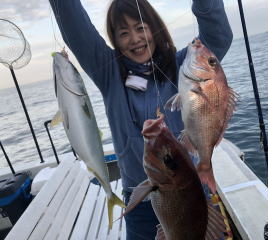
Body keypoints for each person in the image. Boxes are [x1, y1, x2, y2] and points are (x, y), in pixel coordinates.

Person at [49, 0, 233, 239]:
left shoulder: (184, 67)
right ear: (114, 39)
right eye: (123, 33)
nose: (134, 38)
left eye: (140, 27)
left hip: (191, 192)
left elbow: (218, 35)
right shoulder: (109, 72)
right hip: (140, 202)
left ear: (154, 27)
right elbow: (77, 30)